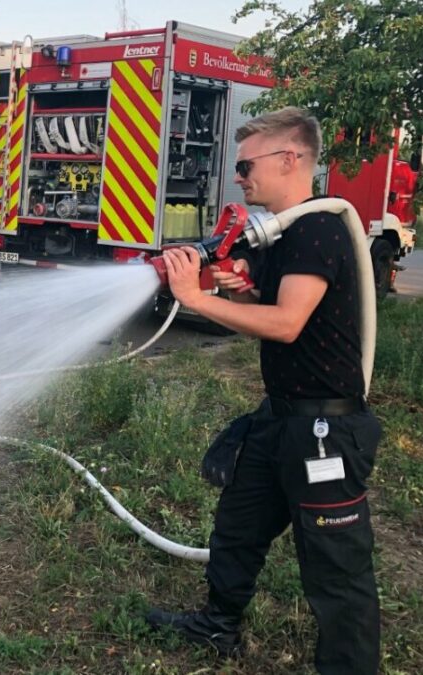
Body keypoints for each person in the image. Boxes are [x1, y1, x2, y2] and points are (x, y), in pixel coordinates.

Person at [147, 107, 383, 675]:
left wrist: (196, 298)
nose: (239, 176)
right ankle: (217, 625)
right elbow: (268, 315)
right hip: (279, 417)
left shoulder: (318, 228)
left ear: (289, 159)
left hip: (325, 430)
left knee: (336, 564)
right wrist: (242, 294)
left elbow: (288, 324)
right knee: (239, 525)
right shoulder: (279, 235)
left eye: (248, 164)